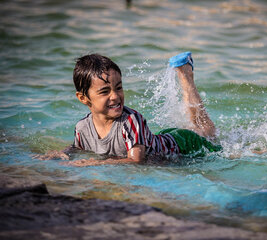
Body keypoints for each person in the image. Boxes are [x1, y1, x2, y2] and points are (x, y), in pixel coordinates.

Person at [36, 52, 221, 166]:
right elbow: (77, 147)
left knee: (210, 135)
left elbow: (136, 160)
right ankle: (185, 73)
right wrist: (61, 153)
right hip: (158, 140)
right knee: (203, 129)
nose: (115, 96)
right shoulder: (82, 127)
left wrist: (94, 164)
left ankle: (185, 74)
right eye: (104, 91)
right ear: (83, 98)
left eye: (118, 88)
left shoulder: (131, 121)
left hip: (183, 144)